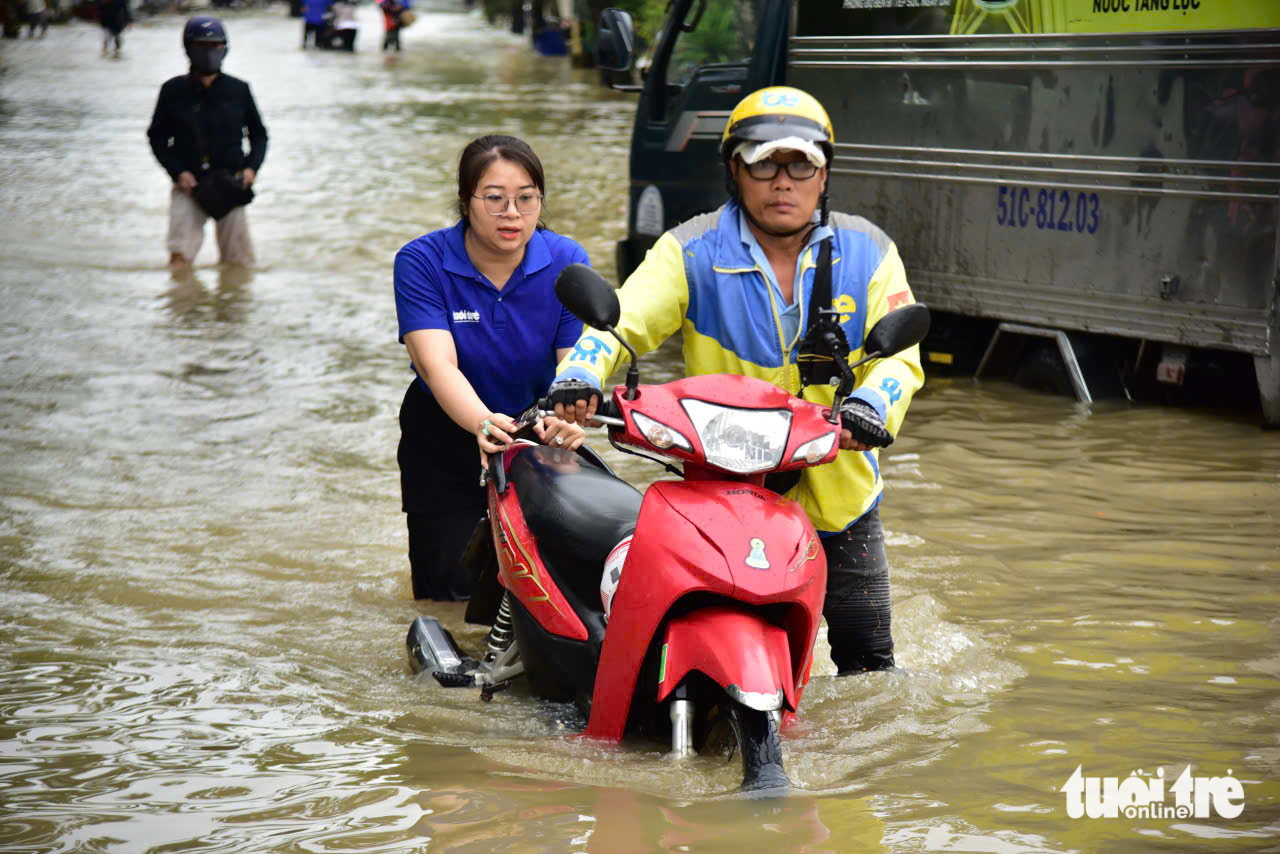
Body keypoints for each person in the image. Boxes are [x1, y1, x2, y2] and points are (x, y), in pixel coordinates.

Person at [547, 86, 924, 674]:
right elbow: (623, 324)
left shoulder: (870, 252)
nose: (783, 181)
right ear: (734, 170)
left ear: (824, 174)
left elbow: (901, 358)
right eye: (763, 162)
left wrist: (872, 405)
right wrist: (578, 372)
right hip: (720, 494)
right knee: (657, 652)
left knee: (869, 671)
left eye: (801, 164)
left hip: (839, 496)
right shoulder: (687, 250)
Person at [394, 134, 589, 601]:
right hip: (444, 440)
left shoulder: (566, 261)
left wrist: (569, 417)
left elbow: (574, 366)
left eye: (526, 199)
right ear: (466, 201)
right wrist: (481, 422)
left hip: (534, 437)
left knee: (548, 590)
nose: (513, 214)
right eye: (495, 199)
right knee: (450, 595)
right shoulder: (422, 261)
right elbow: (435, 363)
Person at [146, 16, 268, 268]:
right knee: (179, 259)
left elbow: (259, 135)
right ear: (189, 48)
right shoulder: (173, 91)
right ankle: (184, 304)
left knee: (239, 264)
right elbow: (157, 138)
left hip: (231, 184)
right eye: (203, 46)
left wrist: (250, 169)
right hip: (189, 185)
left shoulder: (239, 90)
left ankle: (231, 305)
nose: (210, 52)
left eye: (216, 46)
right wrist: (178, 172)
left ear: (225, 48)